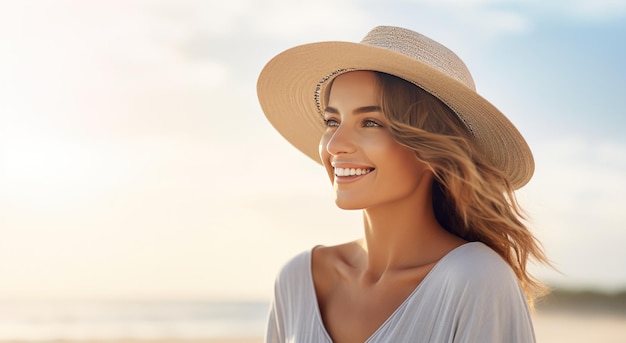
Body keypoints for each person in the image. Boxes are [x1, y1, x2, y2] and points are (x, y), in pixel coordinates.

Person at [257, 26, 549, 342]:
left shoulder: (477, 278)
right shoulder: (297, 280)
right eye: (332, 121)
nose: (334, 145)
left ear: (432, 150)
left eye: (370, 122)